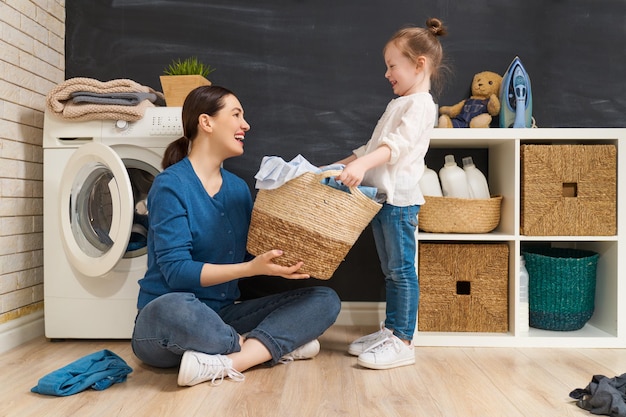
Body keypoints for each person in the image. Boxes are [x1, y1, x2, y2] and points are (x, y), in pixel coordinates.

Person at [131, 85, 341, 387]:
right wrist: (251, 268)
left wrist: (293, 243)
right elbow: (176, 273)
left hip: (224, 316)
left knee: (325, 299)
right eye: (236, 114)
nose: (246, 125)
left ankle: (228, 361)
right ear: (207, 122)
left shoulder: (238, 189)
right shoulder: (171, 185)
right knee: (173, 307)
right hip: (170, 322)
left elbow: (246, 253)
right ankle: (268, 347)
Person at [330, 18, 448, 370]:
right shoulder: (401, 103)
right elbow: (372, 145)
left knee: (401, 271)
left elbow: (393, 147)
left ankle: (403, 340)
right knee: (390, 270)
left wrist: (362, 167)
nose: (387, 74)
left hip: (400, 202)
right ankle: (392, 330)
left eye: (392, 66)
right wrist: (336, 166)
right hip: (383, 200)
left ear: (419, 64)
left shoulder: (421, 105)